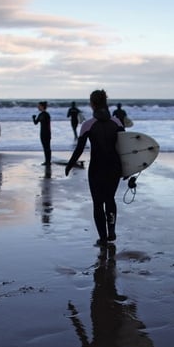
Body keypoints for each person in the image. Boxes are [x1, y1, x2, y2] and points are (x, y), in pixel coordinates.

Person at [66, 89, 124, 246]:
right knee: (110, 199)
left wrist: (70, 165)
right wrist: (127, 169)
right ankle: (111, 231)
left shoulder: (87, 125)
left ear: (92, 104)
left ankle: (103, 238)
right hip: (114, 167)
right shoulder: (117, 123)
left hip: (97, 168)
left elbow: (79, 149)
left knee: (98, 203)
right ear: (106, 102)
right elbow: (124, 148)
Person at [32, 101, 52, 165]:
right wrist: (33, 118)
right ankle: (47, 161)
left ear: (42, 106)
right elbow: (36, 123)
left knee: (47, 147)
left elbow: (49, 125)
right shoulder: (40, 114)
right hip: (42, 133)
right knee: (44, 147)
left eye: (39, 106)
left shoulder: (47, 114)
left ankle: (48, 161)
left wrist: (49, 134)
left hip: (47, 133)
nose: (38, 107)